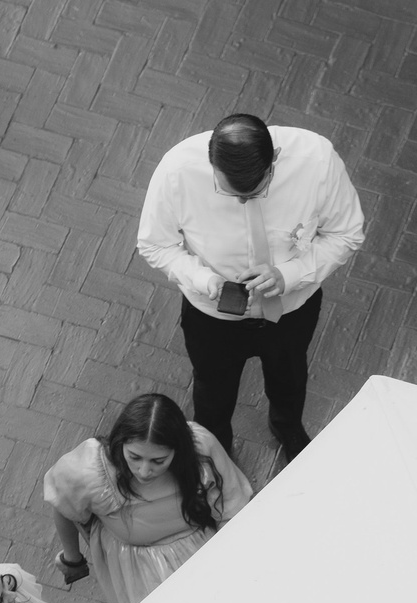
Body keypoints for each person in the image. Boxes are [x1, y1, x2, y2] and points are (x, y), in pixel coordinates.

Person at [136, 113, 365, 463]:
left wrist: (289, 274)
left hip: (291, 310)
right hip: (212, 317)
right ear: (211, 163)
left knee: (290, 377)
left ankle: (287, 426)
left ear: (273, 161)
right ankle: (215, 453)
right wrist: (204, 280)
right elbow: (155, 244)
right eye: (229, 192)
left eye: (254, 192)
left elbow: (347, 233)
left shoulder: (317, 161)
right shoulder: (177, 172)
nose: (243, 202)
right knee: (212, 394)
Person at [42, 393, 254, 603]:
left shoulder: (201, 448)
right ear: (121, 441)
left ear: (178, 450)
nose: (144, 471)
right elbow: (63, 506)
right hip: (136, 570)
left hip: (204, 551)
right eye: (134, 456)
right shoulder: (89, 469)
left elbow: (233, 506)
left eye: (158, 461)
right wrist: (72, 559)